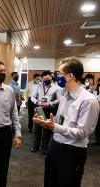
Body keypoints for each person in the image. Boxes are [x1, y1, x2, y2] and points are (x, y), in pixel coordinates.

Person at [33, 58, 99, 187]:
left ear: (70, 76)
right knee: (50, 182)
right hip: (55, 146)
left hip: (72, 152)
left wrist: (55, 126)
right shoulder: (65, 96)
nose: (56, 77)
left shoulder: (88, 100)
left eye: (60, 74)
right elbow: (59, 121)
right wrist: (46, 122)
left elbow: (82, 133)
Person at [30, 71, 61, 154]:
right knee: (37, 129)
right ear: (42, 79)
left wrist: (50, 103)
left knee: (47, 130)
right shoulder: (37, 86)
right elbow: (32, 97)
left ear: (51, 77)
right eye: (45, 79)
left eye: (48, 78)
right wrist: (37, 102)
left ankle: (44, 148)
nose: (47, 80)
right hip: (39, 108)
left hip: (49, 109)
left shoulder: (56, 87)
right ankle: (35, 146)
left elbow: (59, 99)